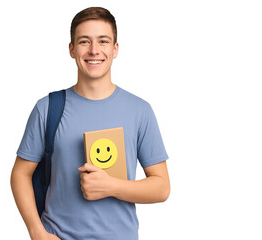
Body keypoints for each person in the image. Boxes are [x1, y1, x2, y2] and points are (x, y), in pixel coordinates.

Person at [11, 7, 170, 240]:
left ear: (115, 49)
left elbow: (161, 187)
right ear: (72, 49)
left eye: (103, 41)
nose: (94, 50)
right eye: (84, 41)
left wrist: (110, 186)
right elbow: (20, 174)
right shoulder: (47, 108)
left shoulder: (140, 110)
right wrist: (37, 232)